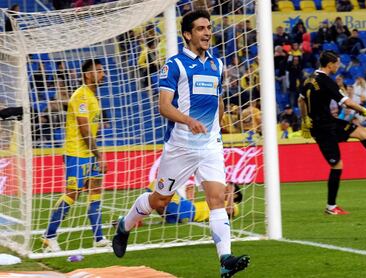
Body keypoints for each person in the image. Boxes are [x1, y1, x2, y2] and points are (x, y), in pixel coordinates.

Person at [111, 10, 250, 277]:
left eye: (208, 27)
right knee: (160, 201)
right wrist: (189, 121)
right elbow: (164, 107)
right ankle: (124, 226)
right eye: (200, 29)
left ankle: (225, 260)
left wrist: (219, 122)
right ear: (187, 34)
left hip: (210, 144)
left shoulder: (217, 65)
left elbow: (217, 99)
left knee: (217, 199)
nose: (207, 32)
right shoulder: (174, 65)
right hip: (181, 146)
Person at [298, 51, 366, 215]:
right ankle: (331, 207)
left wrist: (305, 119)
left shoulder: (309, 78)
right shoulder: (327, 81)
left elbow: (301, 100)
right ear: (330, 64)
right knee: (337, 165)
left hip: (328, 122)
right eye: (337, 63)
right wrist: (364, 110)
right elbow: (347, 103)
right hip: (323, 128)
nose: (338, 66)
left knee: (362, 133)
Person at [42, 59, 111, 252]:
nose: (102, 74)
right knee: (72, 194)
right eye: (98, 71)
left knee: (95, 192)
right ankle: (49, 236)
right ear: (88, 74)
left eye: (102, 71)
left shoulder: (93, 96)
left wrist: (97, 153)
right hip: (76, 153)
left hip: (90, 153)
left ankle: (99, 237)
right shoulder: (81, 96)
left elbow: (94, 130)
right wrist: (99, 155)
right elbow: (83, 129)